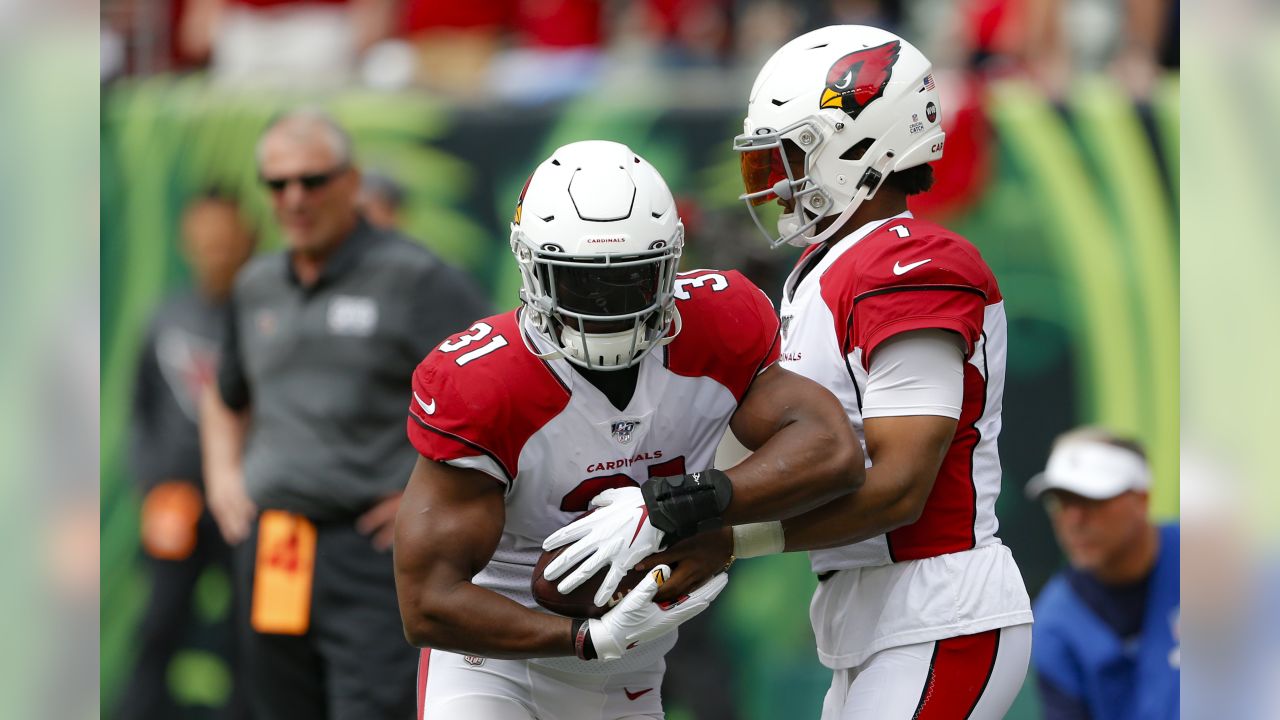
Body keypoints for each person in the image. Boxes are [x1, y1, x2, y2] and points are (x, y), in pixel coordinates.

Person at [552, 25, 1034, 719]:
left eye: (790, 157)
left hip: (938, 608)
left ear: (861, 143)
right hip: (876, 611)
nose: (776, 185)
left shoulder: (912, 265)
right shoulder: (825, 269)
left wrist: (724, 530)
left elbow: (901, 488)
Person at [393, 139, 866, 720]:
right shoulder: (486, 381)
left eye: (633, 280)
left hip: (633, 664)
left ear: (672, 264)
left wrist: (674, 503)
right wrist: (585, 639)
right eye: (578, 282)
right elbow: (426, 604)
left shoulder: (715, 326)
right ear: (531, 266)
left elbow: (831, 448)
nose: (606, 304)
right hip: (493, 661)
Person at [200, 108, 491, 719]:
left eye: (314, 179)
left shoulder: (414, 277)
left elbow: (493, 392)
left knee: (372, 708)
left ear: (352, 181)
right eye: (278, 184)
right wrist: (223, 477)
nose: (295, 198)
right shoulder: (256, 286)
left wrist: (426, 499)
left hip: (369, 552)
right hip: (277, 543)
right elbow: (226, 397)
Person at [116, 191, 255, 720]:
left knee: (253, 634)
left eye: (225, 241)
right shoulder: (165, 317)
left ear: (247, 239)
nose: (215, 253)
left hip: (246, 505)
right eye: (205, 241)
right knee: (158, 625)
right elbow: (140, 411)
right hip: (178, 501)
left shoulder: (265, 317)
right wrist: (153, 488)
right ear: (186, 242)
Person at [1024, 428, 1179, 720]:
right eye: (1062, 502)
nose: (1073, 519)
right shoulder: (1053, 625)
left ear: (1142, 500)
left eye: (1091, 499)